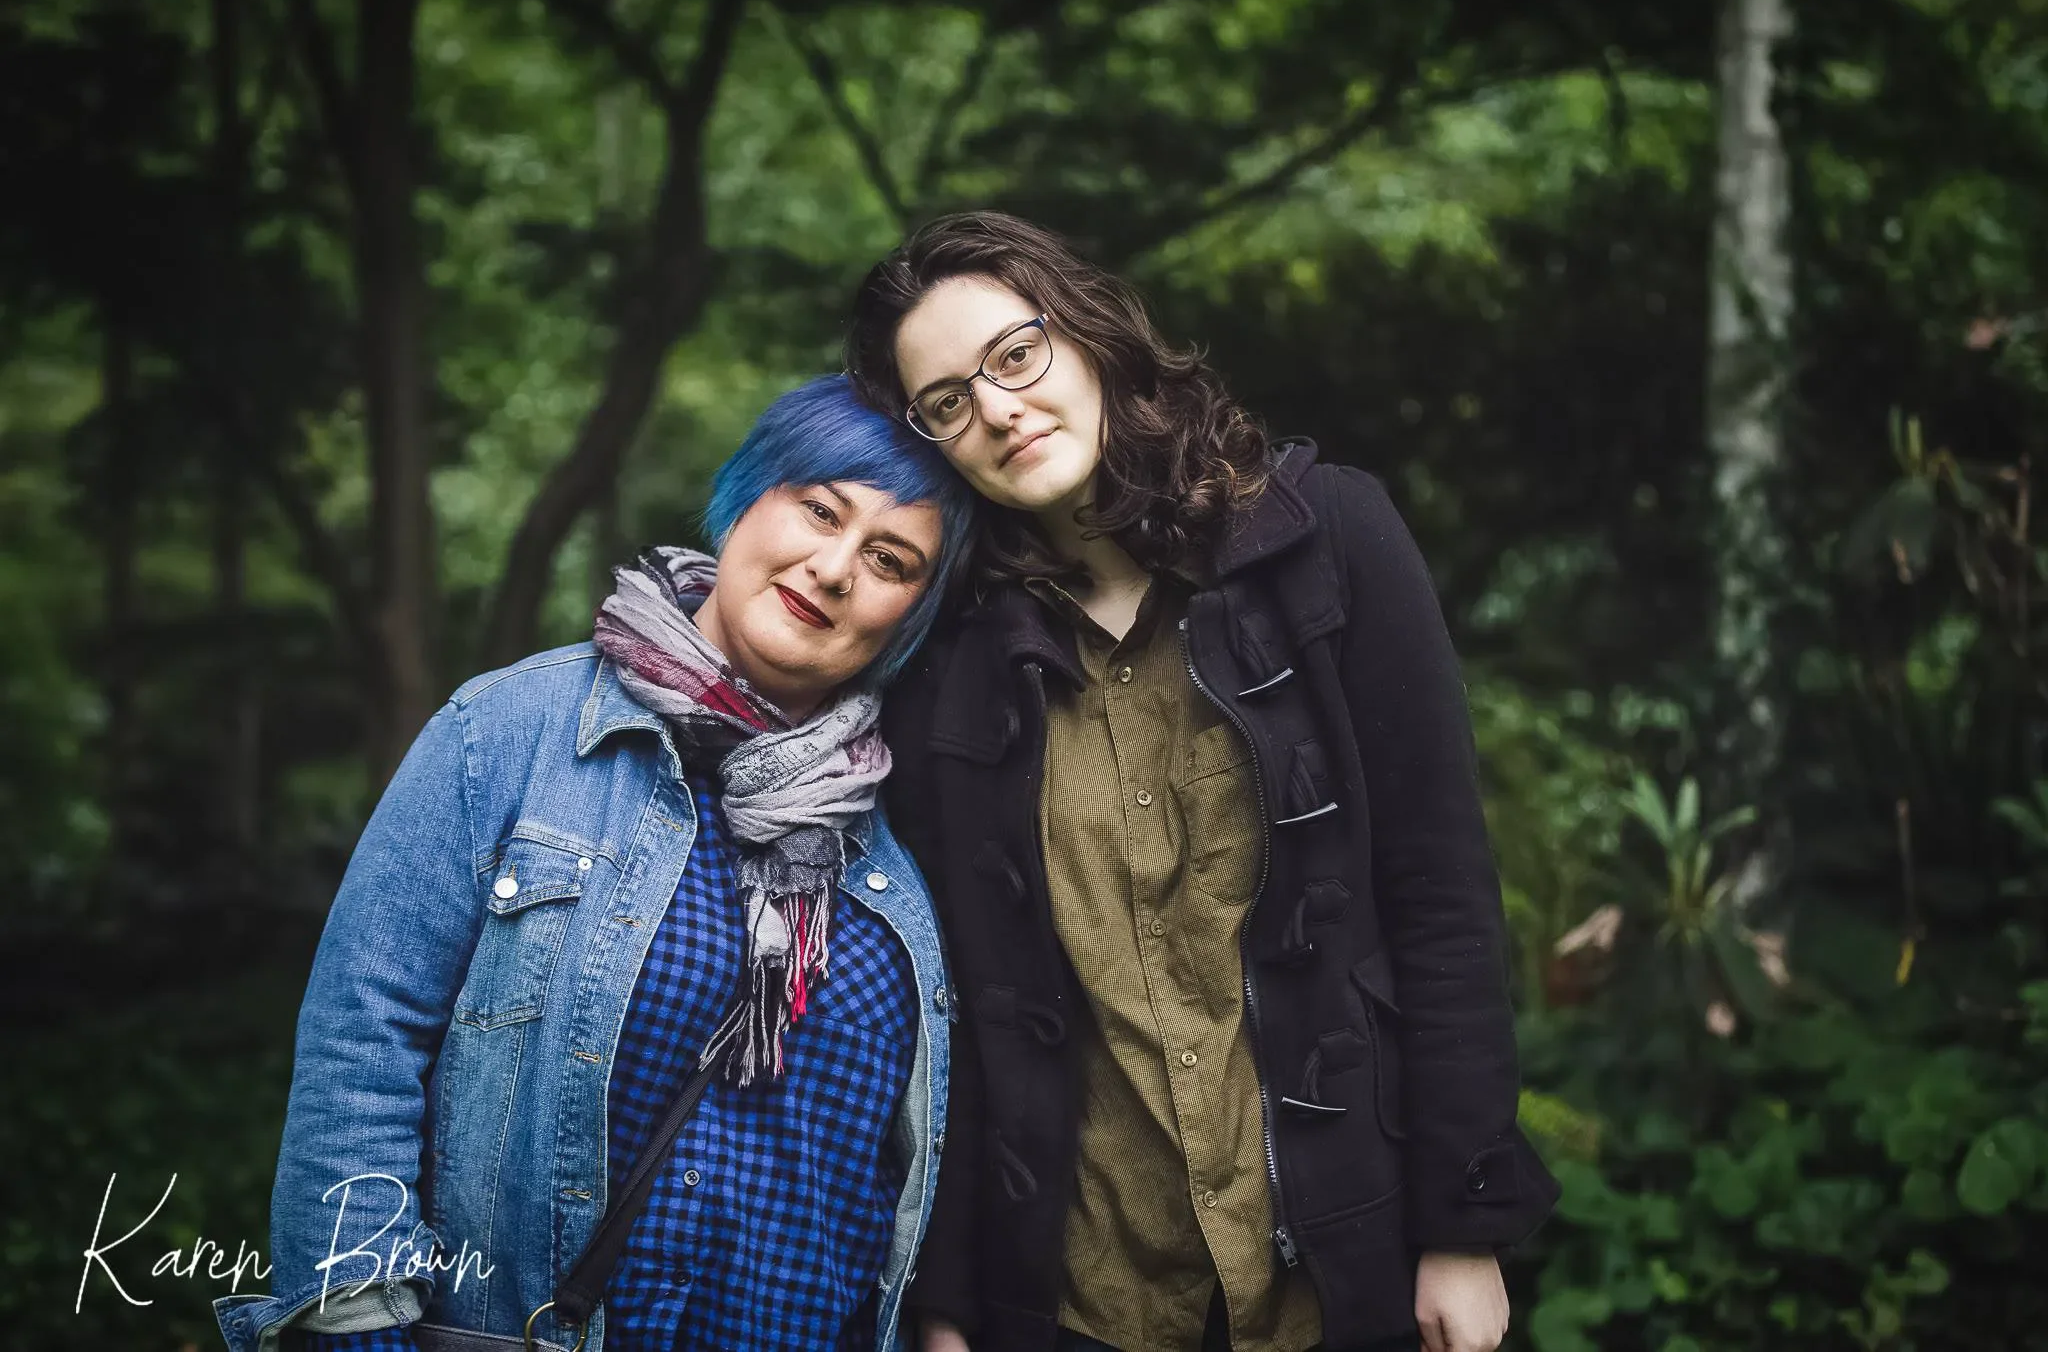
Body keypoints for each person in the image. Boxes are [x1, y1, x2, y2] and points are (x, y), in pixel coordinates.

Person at [842, 213, 1560, 1352]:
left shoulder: (1324, 540)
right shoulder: (952, 663)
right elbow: (960, 1008)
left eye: (1013, 356)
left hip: (1343, 1271)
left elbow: (1441, 902)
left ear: (1082, 332)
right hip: (1087, 1296)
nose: (996, 408)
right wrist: (948, 1303)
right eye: (945, 403)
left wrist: (1461, 1229)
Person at [214, 375, 977, 1352]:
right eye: (819, 509)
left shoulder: (896, 854)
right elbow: (361, 1050)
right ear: (747, 499)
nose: (833, 567)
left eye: (888, 558)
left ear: (908, 614)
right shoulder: (510, 736)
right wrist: (357, 1329)